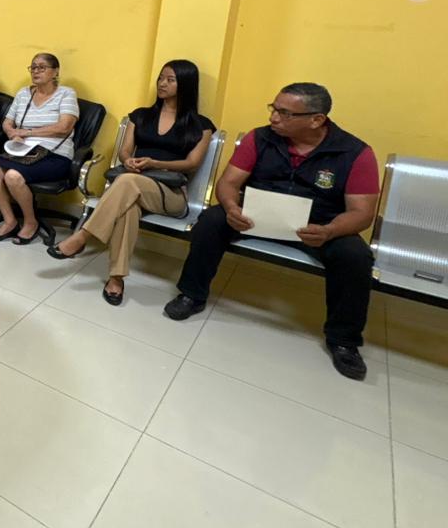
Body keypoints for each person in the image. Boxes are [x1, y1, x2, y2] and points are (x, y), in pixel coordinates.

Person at [163, 82, 379, 381]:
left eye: (285, 113)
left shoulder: (355, 153)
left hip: (316, 227)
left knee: (355, 255)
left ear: (316, 119)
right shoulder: (260, 138)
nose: (273, 118)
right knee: (211, 221)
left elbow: (361, 213)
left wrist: (329, 230)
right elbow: (228, 183)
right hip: (255, 216)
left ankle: (344, 340)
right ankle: (191, 295)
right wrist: (231, 207)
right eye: (273, 109)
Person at [48, 60, 214, 306]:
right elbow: (125, 151)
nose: (162, 83)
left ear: (186, 84)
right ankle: (116, 279)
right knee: (128, 209)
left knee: (127, 182)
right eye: (161, 78)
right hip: (132, 188)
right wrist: (129, 160)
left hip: (170, 194)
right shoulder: (141, 116)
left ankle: (83, 236)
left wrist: (154, 163)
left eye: (170, 80)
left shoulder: (201, 125)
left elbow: (192, 163)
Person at [0, 53, 79, 245]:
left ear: (55, 72)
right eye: (33, 67)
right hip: (23, 150)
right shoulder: (23, 94)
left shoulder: (66, 94)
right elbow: (7, 122)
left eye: (42, 67)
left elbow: (64, 127)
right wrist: (12, 133)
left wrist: (26, 132)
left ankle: (30, 222)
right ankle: (10, 221)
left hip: (54, 154)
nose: (36, 71)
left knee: (13, 176)